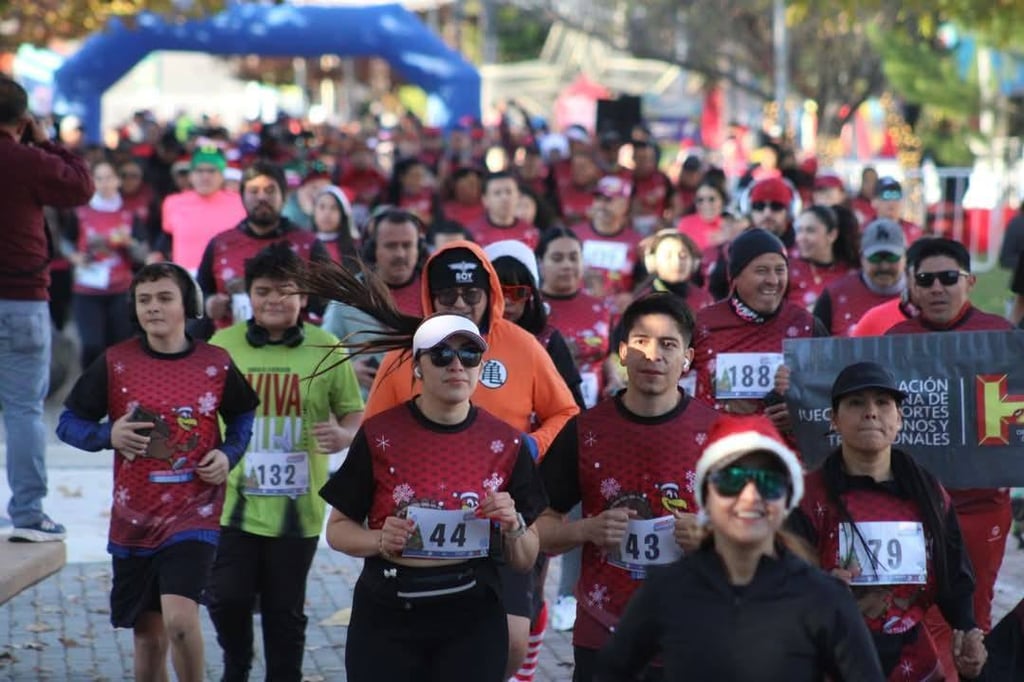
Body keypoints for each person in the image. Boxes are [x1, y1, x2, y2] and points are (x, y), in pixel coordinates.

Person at [55, 262, 259, 681]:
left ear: (188, 305)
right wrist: (108, 435)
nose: (153, 307)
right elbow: (68, 423)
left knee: (181, 623)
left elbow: (242, 414)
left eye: (164, 298)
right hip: (133, 521)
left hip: (194, 513)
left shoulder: (215, 363)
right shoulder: (115, 362)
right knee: (148, 640)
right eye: (144, 300)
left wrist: (228, 454)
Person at [318, 314, 547, 681]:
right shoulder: (380, 435)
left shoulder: (507, 443)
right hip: (388, 613)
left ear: (480, 366)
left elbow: (525, 560)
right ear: (417, 366)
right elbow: (337, 530)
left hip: (472, 617)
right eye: (441, 354)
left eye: (469, 354)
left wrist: (514, 525)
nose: (456, 365)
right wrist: (379, 539)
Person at [596, 414, 883, 681]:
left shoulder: (823, 598)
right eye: (732, 481)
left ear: (787, 499)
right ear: (706, 495)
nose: (749, 497)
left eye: (767, 482)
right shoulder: (667, 589)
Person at [536, 294, 720, 681]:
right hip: (604, 633)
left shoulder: (719, 434)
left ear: (687, 358)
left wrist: (710, 537)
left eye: (668, 344)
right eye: (641, 341)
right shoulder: (585, 431)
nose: (654, 355)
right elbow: (536, 529)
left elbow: (763, 535)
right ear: (622, 352)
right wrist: (584, 529)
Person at [206, 243, 364, 681]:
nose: (274, 300)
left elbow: (353, 410)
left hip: (299, 508)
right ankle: (236, 663)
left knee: (283, 609)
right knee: (227, 598)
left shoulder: (327, 346)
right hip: (234, 502)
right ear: (249, 297)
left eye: (285, 290)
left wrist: (345, 435)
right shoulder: (224, 345)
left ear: (305, 297)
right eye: (263, 291)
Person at [787, 362, 986, 681]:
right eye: (855, 403)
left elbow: (955, 578)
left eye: (882, 402)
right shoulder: (807, 498)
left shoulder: (929, 493)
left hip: (914, 665)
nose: (871, 412)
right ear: (834, 420)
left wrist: (967, 632)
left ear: (899, 418)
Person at [885, 238, 1015, 674]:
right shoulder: (893, 342)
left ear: (970, 282)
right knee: (927, 617)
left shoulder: (1002, 337)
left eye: (948, 278)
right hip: (915, 507)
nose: (937, 288)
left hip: (983, 505)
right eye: (925, 279)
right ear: (911, 286)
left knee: (974, 620)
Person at [1, 75, 93, 542]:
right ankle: (28, 513)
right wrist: (48, 141)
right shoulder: (27, 159)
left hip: (21, 297)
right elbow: (80, 186)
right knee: (22, 411)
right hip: (21, 299)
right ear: (21, 120)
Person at [690, 228, 822, 422]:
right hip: (718, 445)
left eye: (780, 270)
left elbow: (830, 399)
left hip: (785, 449)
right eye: (761, 271)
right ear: (735, 276)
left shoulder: (806, 324)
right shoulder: (702, 324)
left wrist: (802, 413)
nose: (773, 281)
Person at [196, 161, 330, 334]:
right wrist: (209, 304)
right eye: (253, 191)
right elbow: (198, 294)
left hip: (296, 348)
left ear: (284, 196)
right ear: (242, 196)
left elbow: (328, 305)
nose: (261, 197)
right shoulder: (220, 245)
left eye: (270, 190)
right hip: (231, 350)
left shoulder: (310, 245)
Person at [321, 209, 426, 398]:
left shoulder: (437, 296)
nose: (400, 254)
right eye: (391, 246)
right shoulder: (347, 299)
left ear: (419, 248)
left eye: (407, 245)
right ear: (373, 249)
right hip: (366, 413)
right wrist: (349, 370)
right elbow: (320, 358)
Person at [69, 159, 148, 369]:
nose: (105, 183)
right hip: (87, 288)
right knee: (92, 344)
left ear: (118, 181)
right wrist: (75, 257)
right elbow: (65, 243)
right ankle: (90, 391)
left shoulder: (130, 215)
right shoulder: (80, 213)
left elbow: (143, 253)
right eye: (99, 178)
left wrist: (128, 242)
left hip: (120, 288)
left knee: (120, 346)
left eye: (109, 178)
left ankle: (117, 393)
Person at [536, 227, 613, 408]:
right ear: (540, 262)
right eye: (557, 258)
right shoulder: (531, 309)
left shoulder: (600, 308)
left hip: (596, 412)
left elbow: (608, 355)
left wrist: (615, 380)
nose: (567, 265)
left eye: (573, 257)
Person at [813, 218, 909, 336]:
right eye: (875, 258)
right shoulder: (834, 295)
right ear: (862, 257)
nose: (884, 266)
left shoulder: (924, 293)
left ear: (905, 257)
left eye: (892, 258)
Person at [158, 145, 245, 271]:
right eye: (199, 171)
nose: (205, 177)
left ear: (222, 175)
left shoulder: (240, 202)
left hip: (228, 277)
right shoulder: (172, 203)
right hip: (187, 279)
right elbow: (166, 236)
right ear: (191, 175)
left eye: (211, 171)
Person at [786, 204, 860, 311]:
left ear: (832, 235)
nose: (802, 238)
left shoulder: (851, 275)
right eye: (799, 230)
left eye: (810, 230)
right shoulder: (786, 269)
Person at [634, 230, 713, 313]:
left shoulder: (705, 299)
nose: (677, 262)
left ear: (694, 262)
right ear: (652, 262)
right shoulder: (643, 303)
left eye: (683, 256)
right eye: (668, 256)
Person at [466, 171, 541, 249]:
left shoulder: (532, 233)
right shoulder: (472, 233)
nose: (504, 198)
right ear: (485, 200)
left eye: (509, 192)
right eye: (497, 193)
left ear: (518, 196)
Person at [676, 178, 730, 252]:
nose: (706, 204)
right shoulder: (685, 224)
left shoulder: (731, 226)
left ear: (722, 201)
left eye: (711, 199)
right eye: (700, 200)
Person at [311, 185, 359, 267]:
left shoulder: (355, 247)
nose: (327, 213)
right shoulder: (305, 244)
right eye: (322, 207)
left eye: (334, 208)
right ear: (314, 211)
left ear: (343, 214)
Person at [873, 177, 923, 244]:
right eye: (886, 196)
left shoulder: (914, 231)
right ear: (874, 201)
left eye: (896, 195)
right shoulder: (864, 230)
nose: (891, 202)